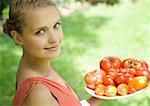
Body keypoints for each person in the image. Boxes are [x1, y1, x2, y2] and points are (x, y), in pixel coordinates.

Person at [3, 0, 103, 106]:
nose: (54, 39)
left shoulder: (40, 68)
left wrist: (93, 101)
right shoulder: (39, 94)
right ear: (17, 38)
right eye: (40, 32)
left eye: (56, 26)